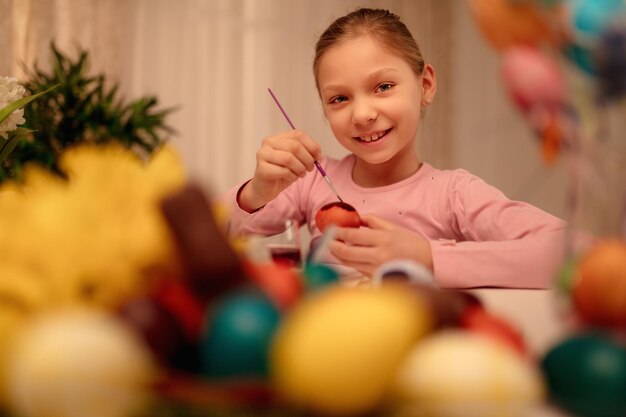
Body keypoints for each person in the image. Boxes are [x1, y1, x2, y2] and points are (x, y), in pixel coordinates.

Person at [219, 8, 566, 288]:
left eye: (383, 86)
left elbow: (570, 254)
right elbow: (205, 240)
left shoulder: (454, 194)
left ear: (425, 84)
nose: (363, 114)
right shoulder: (308, 182)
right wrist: (255, 193)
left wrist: (429, 257)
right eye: (339, 98)